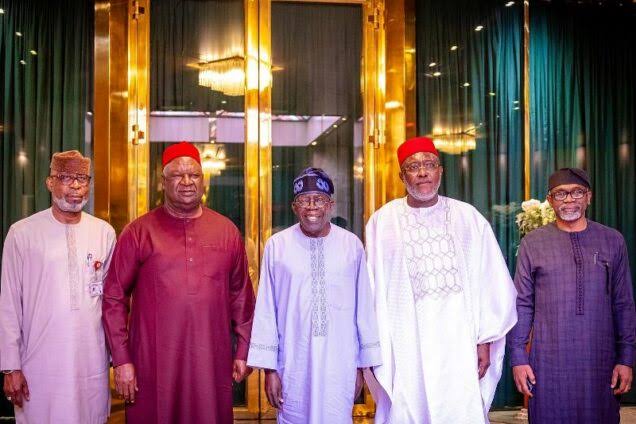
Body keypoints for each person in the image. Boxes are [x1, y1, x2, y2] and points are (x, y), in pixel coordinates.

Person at [365, 136, 517, 423]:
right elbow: (371, 290)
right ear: (401, 176)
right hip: (405, 342)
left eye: (429, 165)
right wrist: (375, 347)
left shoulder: (468, 218)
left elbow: (491, 281)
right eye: (413, 167)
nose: (422, 172)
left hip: (459, 342)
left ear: (441, 171)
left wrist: (485, 340)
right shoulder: (383, 222)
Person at [102, 142, 255, 423]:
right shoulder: (139, 232)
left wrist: (244, 350)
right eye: (177, 175)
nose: (187, 182)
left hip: (210, 362)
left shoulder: (226, 232)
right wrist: (122, 359)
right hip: (152, 364)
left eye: (194, 175)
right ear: (163, 182)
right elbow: (113, 298)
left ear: (203, 180)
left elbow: (242, 297)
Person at [247, 168, 381, 424]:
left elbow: (364, 309)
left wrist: (361, 367)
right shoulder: (277, 246)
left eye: (319, 199)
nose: (311, 206)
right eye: (304, 200)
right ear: (294, 207)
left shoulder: (351, 245)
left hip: (340, 363)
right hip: (293, 363)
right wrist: (270, 371)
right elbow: (266, 310)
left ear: (330, 205)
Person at [507, 167, 635, 423]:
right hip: (548, 363)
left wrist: (626, 358)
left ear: (589, 197)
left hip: (600, 361)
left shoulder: (612, 241)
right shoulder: (533, 243)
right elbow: (522, 304)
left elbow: (623, 304)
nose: (569, 199)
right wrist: (518, 357)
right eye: (560, 193)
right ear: (550, 199)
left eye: (577, 192)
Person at [0, 150, 115, 423]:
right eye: (65, 178)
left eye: (82, 179)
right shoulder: (22, 233)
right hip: (39, 364)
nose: (75, 186)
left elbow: (112, 302)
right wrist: (10, 366)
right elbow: (9, 303)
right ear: (49, 182)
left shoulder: (104, 232)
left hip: (90, 362)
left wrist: (117, 358)